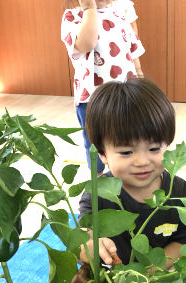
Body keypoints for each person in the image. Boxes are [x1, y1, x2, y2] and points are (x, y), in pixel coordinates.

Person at [75, 78, 186, 268]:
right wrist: (89, 245)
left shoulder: (178, 190)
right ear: (102, 154)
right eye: (126, 152)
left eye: (154, 149)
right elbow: (84, 237)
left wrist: (151, 272)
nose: (142, 161)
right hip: (114, 280)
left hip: (161, 277)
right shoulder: (98, 192)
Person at [61, 0, 145, 173]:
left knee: (126, 134)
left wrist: (139, 74)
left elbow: (133, 49)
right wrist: (89, 9)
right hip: (92, 97)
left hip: (125, 93)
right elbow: (87, 43)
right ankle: (97, 179)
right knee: (93, 140)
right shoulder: (73, 17)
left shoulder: (119, 16)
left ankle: (124, 172)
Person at [110, 0, 144, 78]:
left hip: (125, 46)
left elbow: (133, 28)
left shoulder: (125, 4)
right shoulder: (94, 4)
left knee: (136, 71)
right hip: (106, 49)